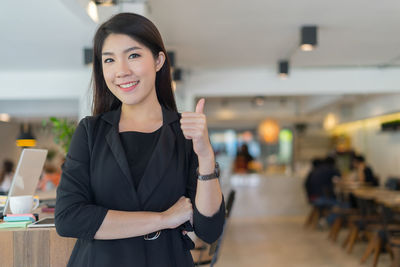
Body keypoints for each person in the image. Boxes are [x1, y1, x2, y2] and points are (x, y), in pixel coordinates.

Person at [55, 13, 225, 267]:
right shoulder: (91, 132)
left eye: (133, 55)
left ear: (158, 60)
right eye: (109, 60)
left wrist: (205, 156)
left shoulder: (185, 133)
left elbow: (209, 229)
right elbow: (69, 219)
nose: (121, 71)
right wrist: (163, 219)